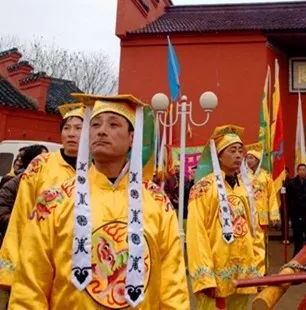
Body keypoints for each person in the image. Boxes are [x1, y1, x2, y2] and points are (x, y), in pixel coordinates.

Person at [9, 94, 189, 308]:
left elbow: (173, 283)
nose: (101, 130)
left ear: (132, 138)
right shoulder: (54, 201)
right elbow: (30, 285)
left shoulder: (156, 201)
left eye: (113, 124)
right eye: (95, 124)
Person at [0, 103, 83, 295]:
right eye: (67, 128)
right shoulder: (41, 165)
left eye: (79, 128)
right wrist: (11, 267)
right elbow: (21, 214)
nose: (71, 133)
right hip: (37, 254)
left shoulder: (96, 169)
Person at [187, 125, 259, 309]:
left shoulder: (245, 187)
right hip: (216, 273)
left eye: (240, 151)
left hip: (243, 273)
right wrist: (205, 278)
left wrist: (257, 268)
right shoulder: (203, 187)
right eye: (232, 150)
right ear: (218, 155)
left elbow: (254, 229)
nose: (238, 155)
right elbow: (196, 233)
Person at [0, 145, 48, 246]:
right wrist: (22, 225)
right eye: (42, 157)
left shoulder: (50, 183)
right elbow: (2, 210)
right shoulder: (12, 184)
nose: (47, 160)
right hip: (16, 242)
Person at [245, 142, 280, 275]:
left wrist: (274, 216)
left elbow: (271, 197)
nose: (248, 161)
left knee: (260, 245)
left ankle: (260, 275)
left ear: (258, 160)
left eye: (251, 158)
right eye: (247, 158)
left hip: (261, 218)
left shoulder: (266, 177)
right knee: (248, 245)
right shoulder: (242, 176)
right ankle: (250, 273)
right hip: (247, 216)